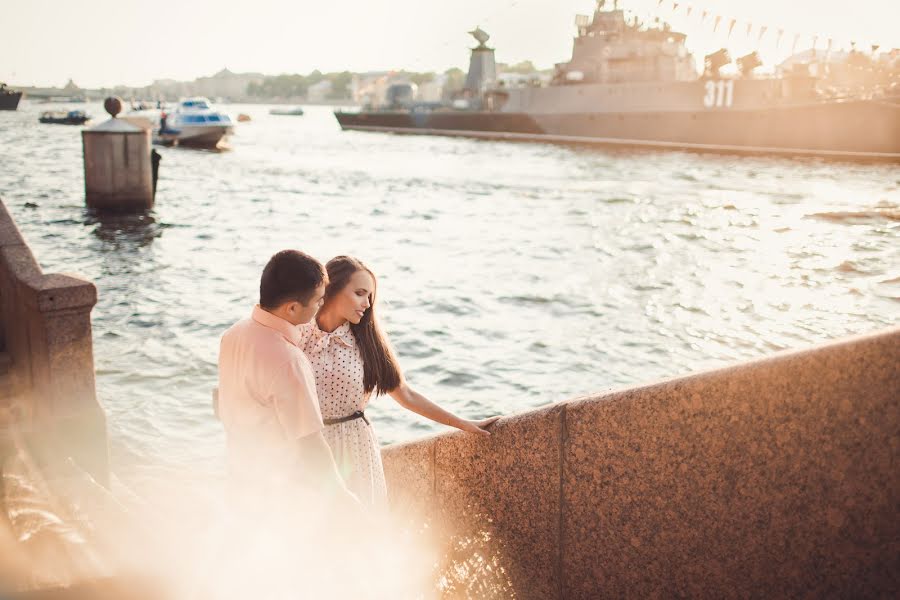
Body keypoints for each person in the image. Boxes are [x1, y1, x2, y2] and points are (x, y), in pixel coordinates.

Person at [299, 256, 500, 508]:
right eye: (360, 293)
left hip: (354, 448)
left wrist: (462, 423)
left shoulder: (367, 342)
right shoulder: (297, 334)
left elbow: (406, 394)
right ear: (332, 288)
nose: (367, 303)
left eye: (370, 296)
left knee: (356, 531)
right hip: (309, 443)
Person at [217, 250, 356, 508]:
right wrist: (342, 496)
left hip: (238, 476)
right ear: (292, 307)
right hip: (280, 491)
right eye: (317, 302)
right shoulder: (288, 360)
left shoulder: (233, 335)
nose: (320, 307)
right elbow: (309, 442)